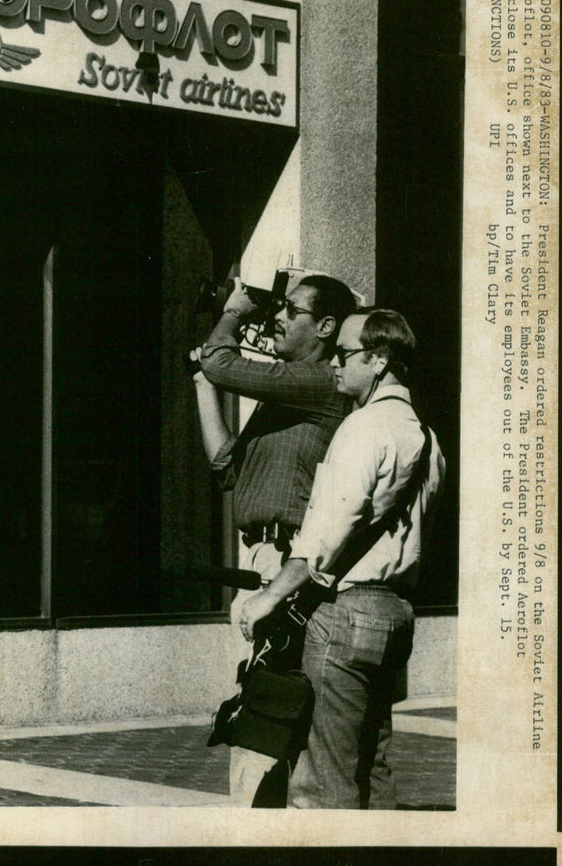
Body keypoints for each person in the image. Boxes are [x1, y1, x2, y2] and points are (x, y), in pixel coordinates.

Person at [240, 308, 446, 809]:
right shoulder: (427, 438)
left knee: (321, 779)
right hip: (395, 613)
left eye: (345, 354)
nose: (334, 364)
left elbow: (323, 538)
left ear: (377, 361)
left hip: (347, 614)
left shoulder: (361, 428)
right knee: (371, 766)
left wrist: (266, 598)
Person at [191, 273, 357, 806]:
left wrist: (234, 311)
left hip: (288, 560)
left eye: (291, 310)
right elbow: (226, 467)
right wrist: (202, 384)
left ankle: (258, 822)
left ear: (326, 328)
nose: (278, 319)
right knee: (267, 695)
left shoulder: (316, 381)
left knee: (270, 698)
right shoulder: (290, 393)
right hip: (265, 555)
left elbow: (222, 360)